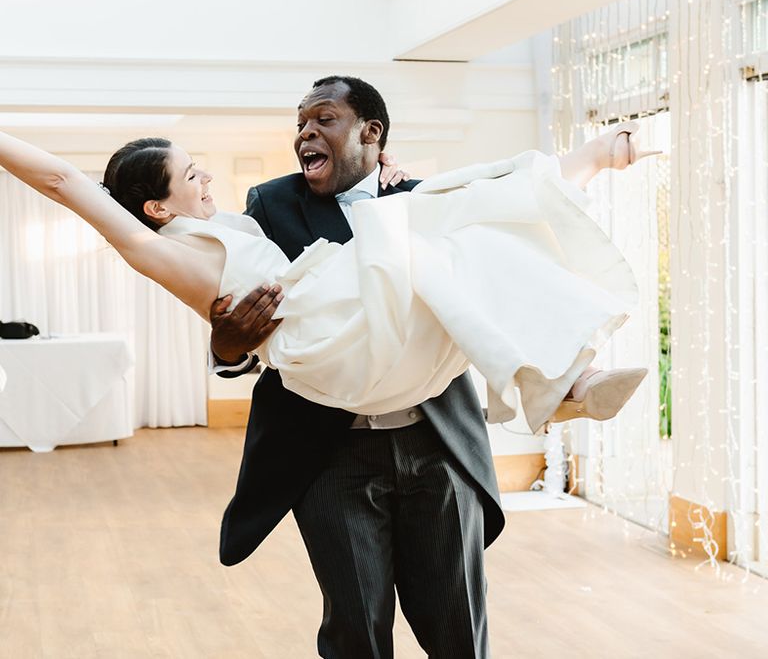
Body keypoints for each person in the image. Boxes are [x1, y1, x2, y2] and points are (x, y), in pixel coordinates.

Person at [0, 75, 653, 658]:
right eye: (191, 172)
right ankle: (563, 349)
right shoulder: (188, 233)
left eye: (324, 122)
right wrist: (229, 342)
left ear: (371, 135)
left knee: (463, 222)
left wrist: (384, 196)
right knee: (357, 628)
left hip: (424, 420)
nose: (206, 178)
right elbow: (63, 180)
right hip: (332, 377)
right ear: (158, 206)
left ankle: (566, 374)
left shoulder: (244, 219)